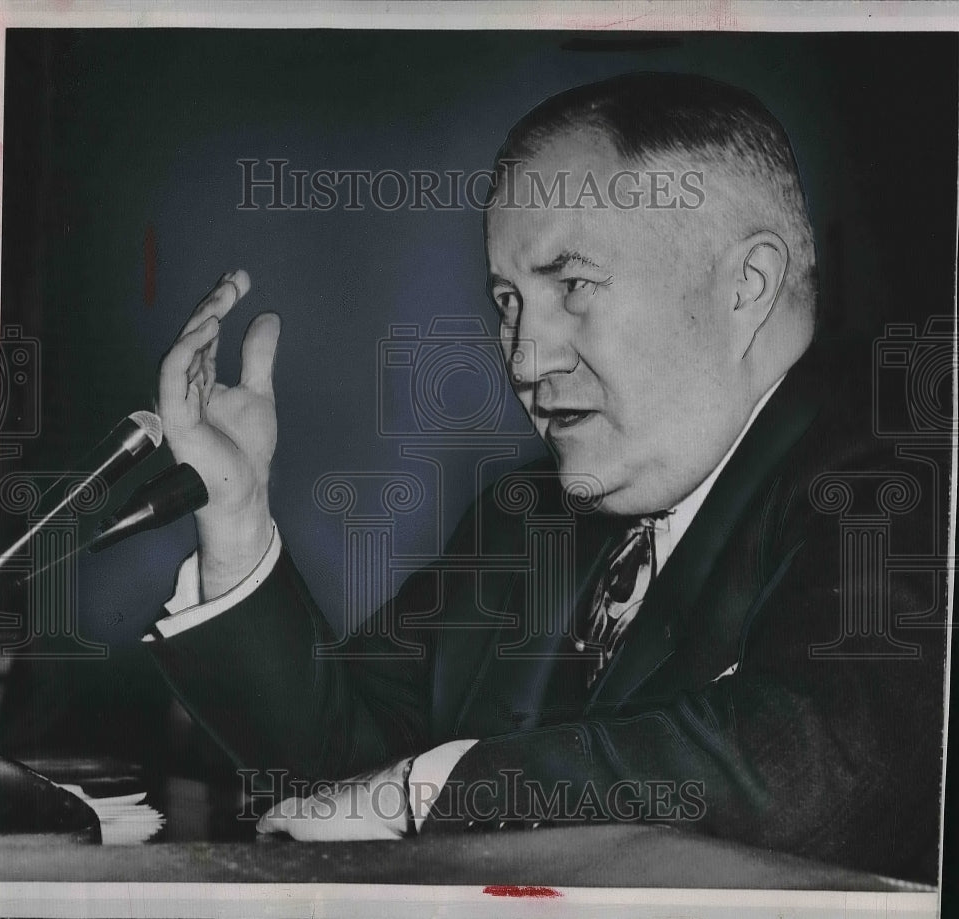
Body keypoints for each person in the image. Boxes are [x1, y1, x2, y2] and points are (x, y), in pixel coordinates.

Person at [143, 73, 945, 883]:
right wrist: (237, 513)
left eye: (573, 284)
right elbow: (331, 783)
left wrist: (426, 794)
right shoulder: (522, 520)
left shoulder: (910, 477)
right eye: (507, 299)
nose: (525, 360)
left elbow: (807, 764)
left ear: (747, 285)